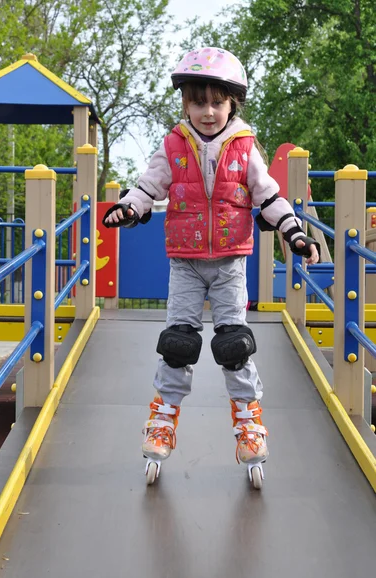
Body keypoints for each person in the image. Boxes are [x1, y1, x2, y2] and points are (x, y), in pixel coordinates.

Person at [103, 47, 320, 476]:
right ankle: (162, 422)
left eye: (216, 102)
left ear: (231, 104)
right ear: (185, 103)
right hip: (185, 262)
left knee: (233, 345)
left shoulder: (245, 148)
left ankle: (249, 425)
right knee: (178, 344)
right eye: (198, 102)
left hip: (229, 264)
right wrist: (129, 209)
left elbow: (269, 195)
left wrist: (293, 231)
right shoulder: (172, 146)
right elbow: (148, 187)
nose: (207, 111)